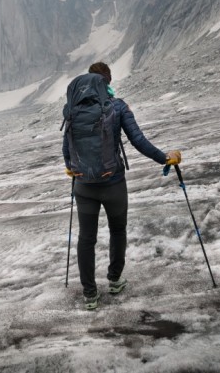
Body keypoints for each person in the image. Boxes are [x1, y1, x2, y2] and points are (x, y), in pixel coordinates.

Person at [62, 61, 181, 310]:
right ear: (108, 81)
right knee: (118, 231)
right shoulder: (117, 106)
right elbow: (138, 140)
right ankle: (115, 280)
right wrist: (164, 157)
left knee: (86, 239)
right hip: (113, 183)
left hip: (83, 185)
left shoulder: (72, 108)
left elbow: (66, 147)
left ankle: (90, 294)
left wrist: (72, 167)